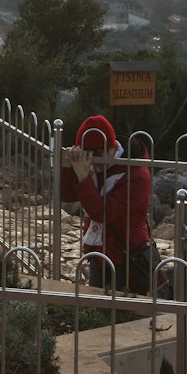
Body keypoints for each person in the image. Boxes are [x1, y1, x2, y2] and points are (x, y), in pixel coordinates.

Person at [60, 115, 163, 296]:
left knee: (122, 310)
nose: (93, 162)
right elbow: (67, 195)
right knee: (98, 306)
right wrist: (72, 166)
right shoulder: (93, 163)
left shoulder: (136, 173)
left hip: (125, 254)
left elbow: (103, 213)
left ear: (111, 148)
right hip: (99, 249)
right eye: (86, 154)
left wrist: (84, 176)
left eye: (97, 155)